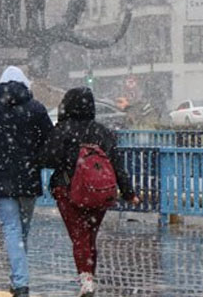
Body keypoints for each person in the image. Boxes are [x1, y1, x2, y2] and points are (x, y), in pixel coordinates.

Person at [40, 87, 139, 297]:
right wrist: (129, 193)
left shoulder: (63, 130)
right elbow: (117, 164)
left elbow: (47, 159)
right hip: (98, 193)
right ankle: (89, 276)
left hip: (68, 190)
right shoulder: (102, 131)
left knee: (79, 236)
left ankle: (86, 280)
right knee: (90, 235)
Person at [0, 66, 53, 297]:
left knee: (12, 229)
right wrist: (36, 161)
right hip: (28, 178)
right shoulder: (36, 109)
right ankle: (19, 279)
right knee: (22, 230)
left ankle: (20, 281)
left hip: (0, 180)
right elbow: (49, 140)